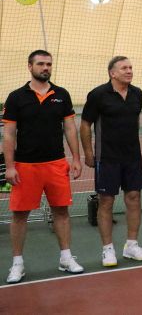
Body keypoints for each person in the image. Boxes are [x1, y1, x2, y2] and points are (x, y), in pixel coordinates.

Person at [3, 50, 84, 283]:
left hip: (56, 164)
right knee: (20, 215)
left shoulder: (61, 94)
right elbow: (9, 135)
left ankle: (66, 258)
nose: (45, 67)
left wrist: (76, 158)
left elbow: (70, 128)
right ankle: (17, 264)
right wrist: (10, 166)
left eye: (48, 64)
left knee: (61, 212)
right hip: (25, 166)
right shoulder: (16, 97)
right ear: (30, 66)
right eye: (40, 64)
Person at [80, 56, 142, 267]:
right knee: (106, 201)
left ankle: (131, 245)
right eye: (124, 68)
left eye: (131, 67)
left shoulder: (137, 93)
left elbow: (134, 121)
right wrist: (89, 153)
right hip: (107, 158)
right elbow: (85, 125)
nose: (129, 71)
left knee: (134, 197)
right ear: (112, 73)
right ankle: (107, 249)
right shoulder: (98, 94)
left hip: (132, 157)